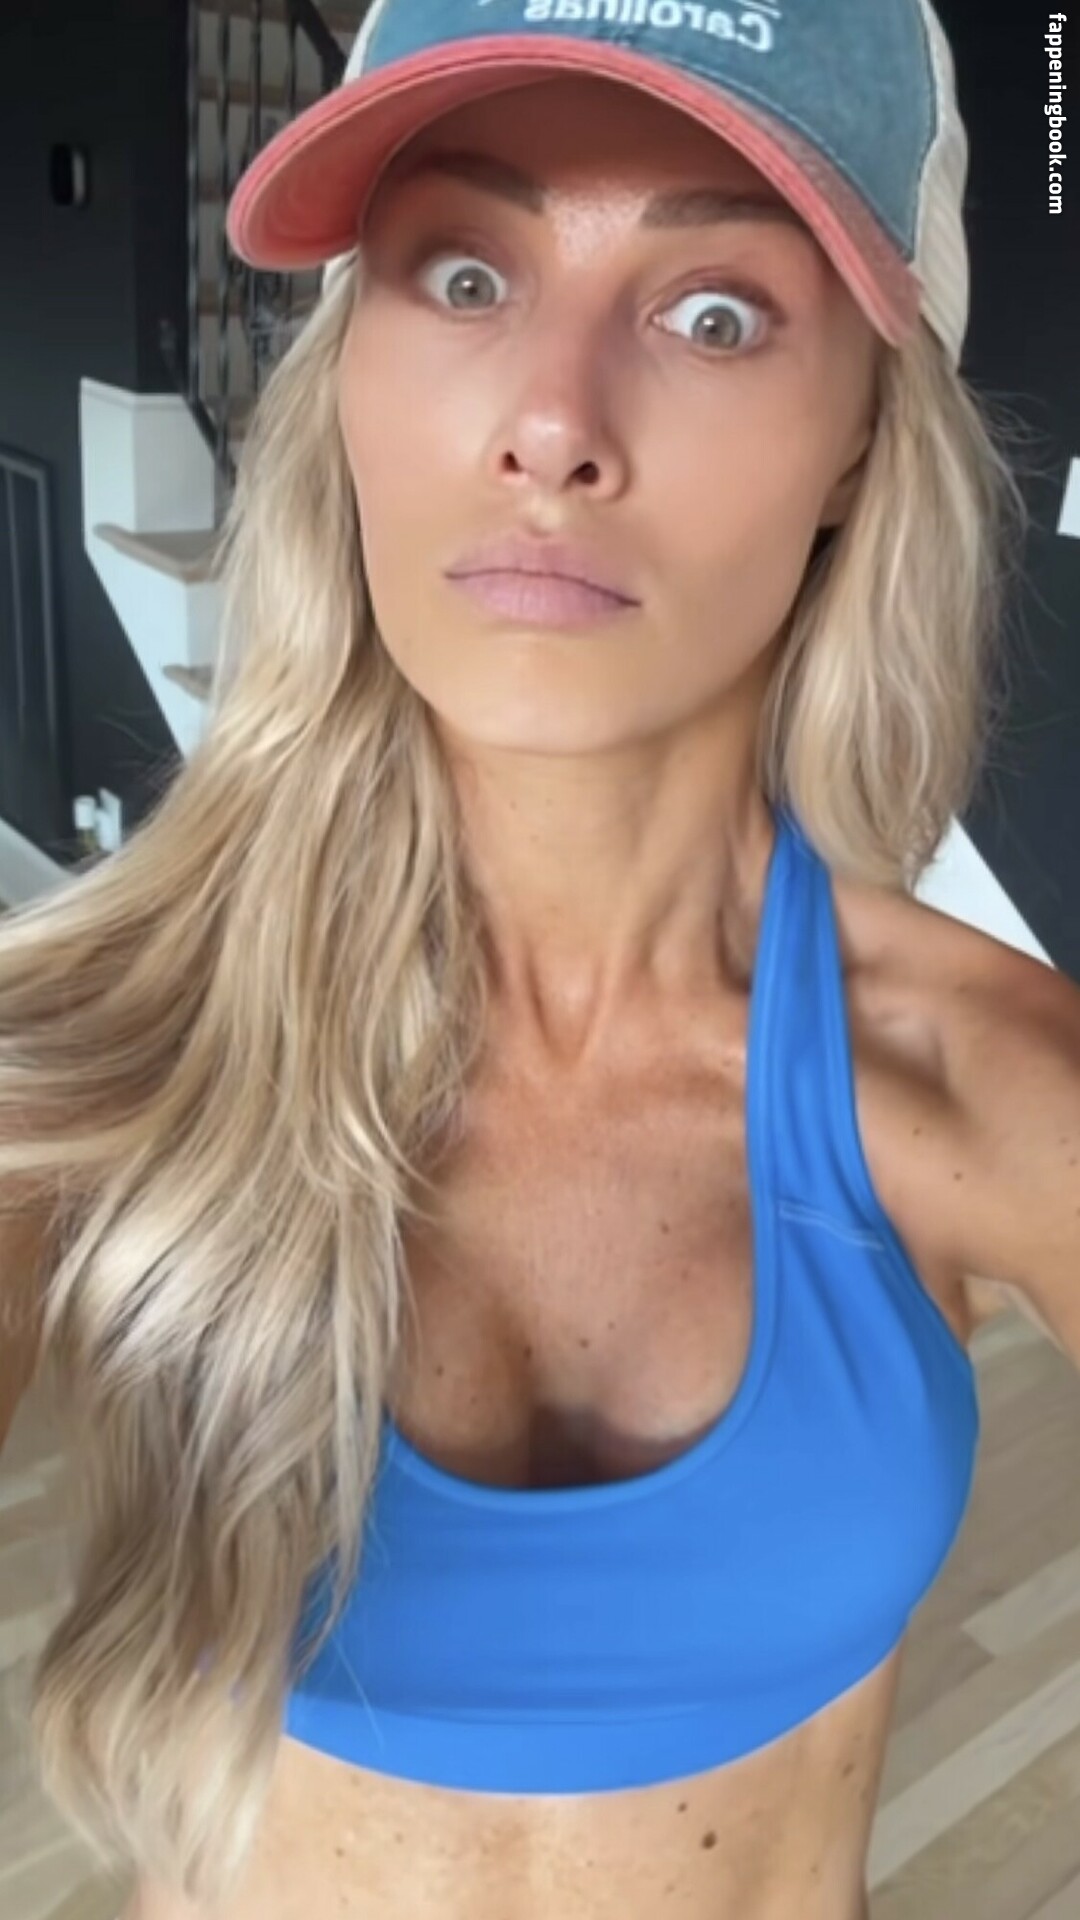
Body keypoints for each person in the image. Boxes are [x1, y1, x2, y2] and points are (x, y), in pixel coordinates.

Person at [2, 0, 1071, 1917]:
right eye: (468, 274)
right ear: (348, 372)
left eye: (715, 313)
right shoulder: (90, 1051)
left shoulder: (979, 1081)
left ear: (859, 448)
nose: (553, 425)